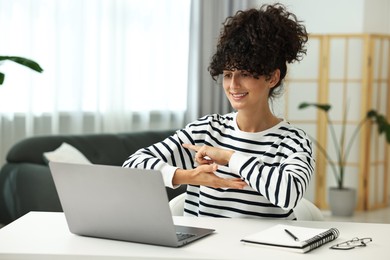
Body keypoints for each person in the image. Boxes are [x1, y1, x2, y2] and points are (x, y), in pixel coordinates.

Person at [123, 3, 314, 219]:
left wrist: (230, 157)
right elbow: (133, 165)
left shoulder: (293, 141)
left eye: (245, 74)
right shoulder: (208, 130)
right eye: (228, 74)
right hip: (203, 252)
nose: (233, 85)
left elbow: (288, 194)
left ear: (272, 77)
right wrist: (188, 176)